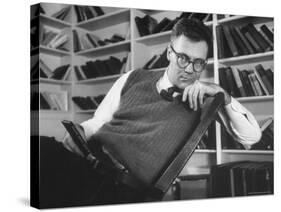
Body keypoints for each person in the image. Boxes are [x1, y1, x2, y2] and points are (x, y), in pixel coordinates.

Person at [41, 18, 261, 208]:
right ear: (169, 52)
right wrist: (80, 131)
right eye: (183, 58)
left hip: (118, 186)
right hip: (86, 161)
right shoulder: (133, 77)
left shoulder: (206, 100)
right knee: (37, 147)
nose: (189, 69)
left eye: (198, 63)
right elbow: (98, 123)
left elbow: (251, 137)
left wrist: (222, 94)